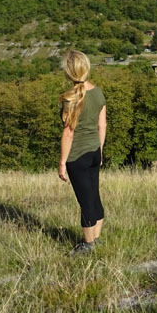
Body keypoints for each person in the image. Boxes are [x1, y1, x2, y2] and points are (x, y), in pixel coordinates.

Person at [58, 50, 107, 255]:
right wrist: (100, 151)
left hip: (77, 157)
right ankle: (95, 240)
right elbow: (101, 124)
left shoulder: (70, 99)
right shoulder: (98, 93)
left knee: (86, 201)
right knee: (94, 197)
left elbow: (68, 134)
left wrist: (62, 163)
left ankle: (87, 246)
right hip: (94, 152)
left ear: (68, 73)